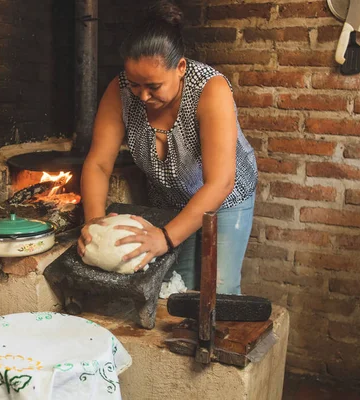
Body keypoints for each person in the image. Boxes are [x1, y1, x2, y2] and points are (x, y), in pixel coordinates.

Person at [77, 0, 258, 295]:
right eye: (135, 84)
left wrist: (165, 238)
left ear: (181, 67)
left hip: (226, 196)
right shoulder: (120, 90)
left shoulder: (210, 90)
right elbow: (98, 164)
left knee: (220, 288)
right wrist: (94, 224)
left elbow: (221, 182)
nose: (143, 96)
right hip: (169, 198)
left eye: (153, 86)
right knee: (176, 287)